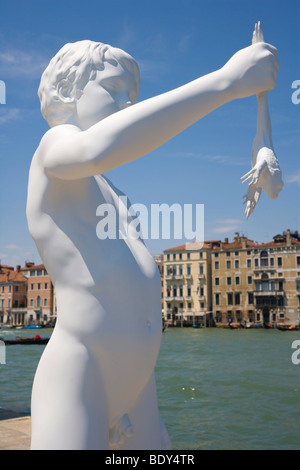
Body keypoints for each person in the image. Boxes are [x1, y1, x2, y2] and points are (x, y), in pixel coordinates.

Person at [28, 39, 279, 450]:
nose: (127, 105)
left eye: (132, 98)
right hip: (81, 374)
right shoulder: (52, 149)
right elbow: (94, 148)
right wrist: (226, 82)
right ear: (68, 90)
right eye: (113, 91)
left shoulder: (109, 191)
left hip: (139, 384)